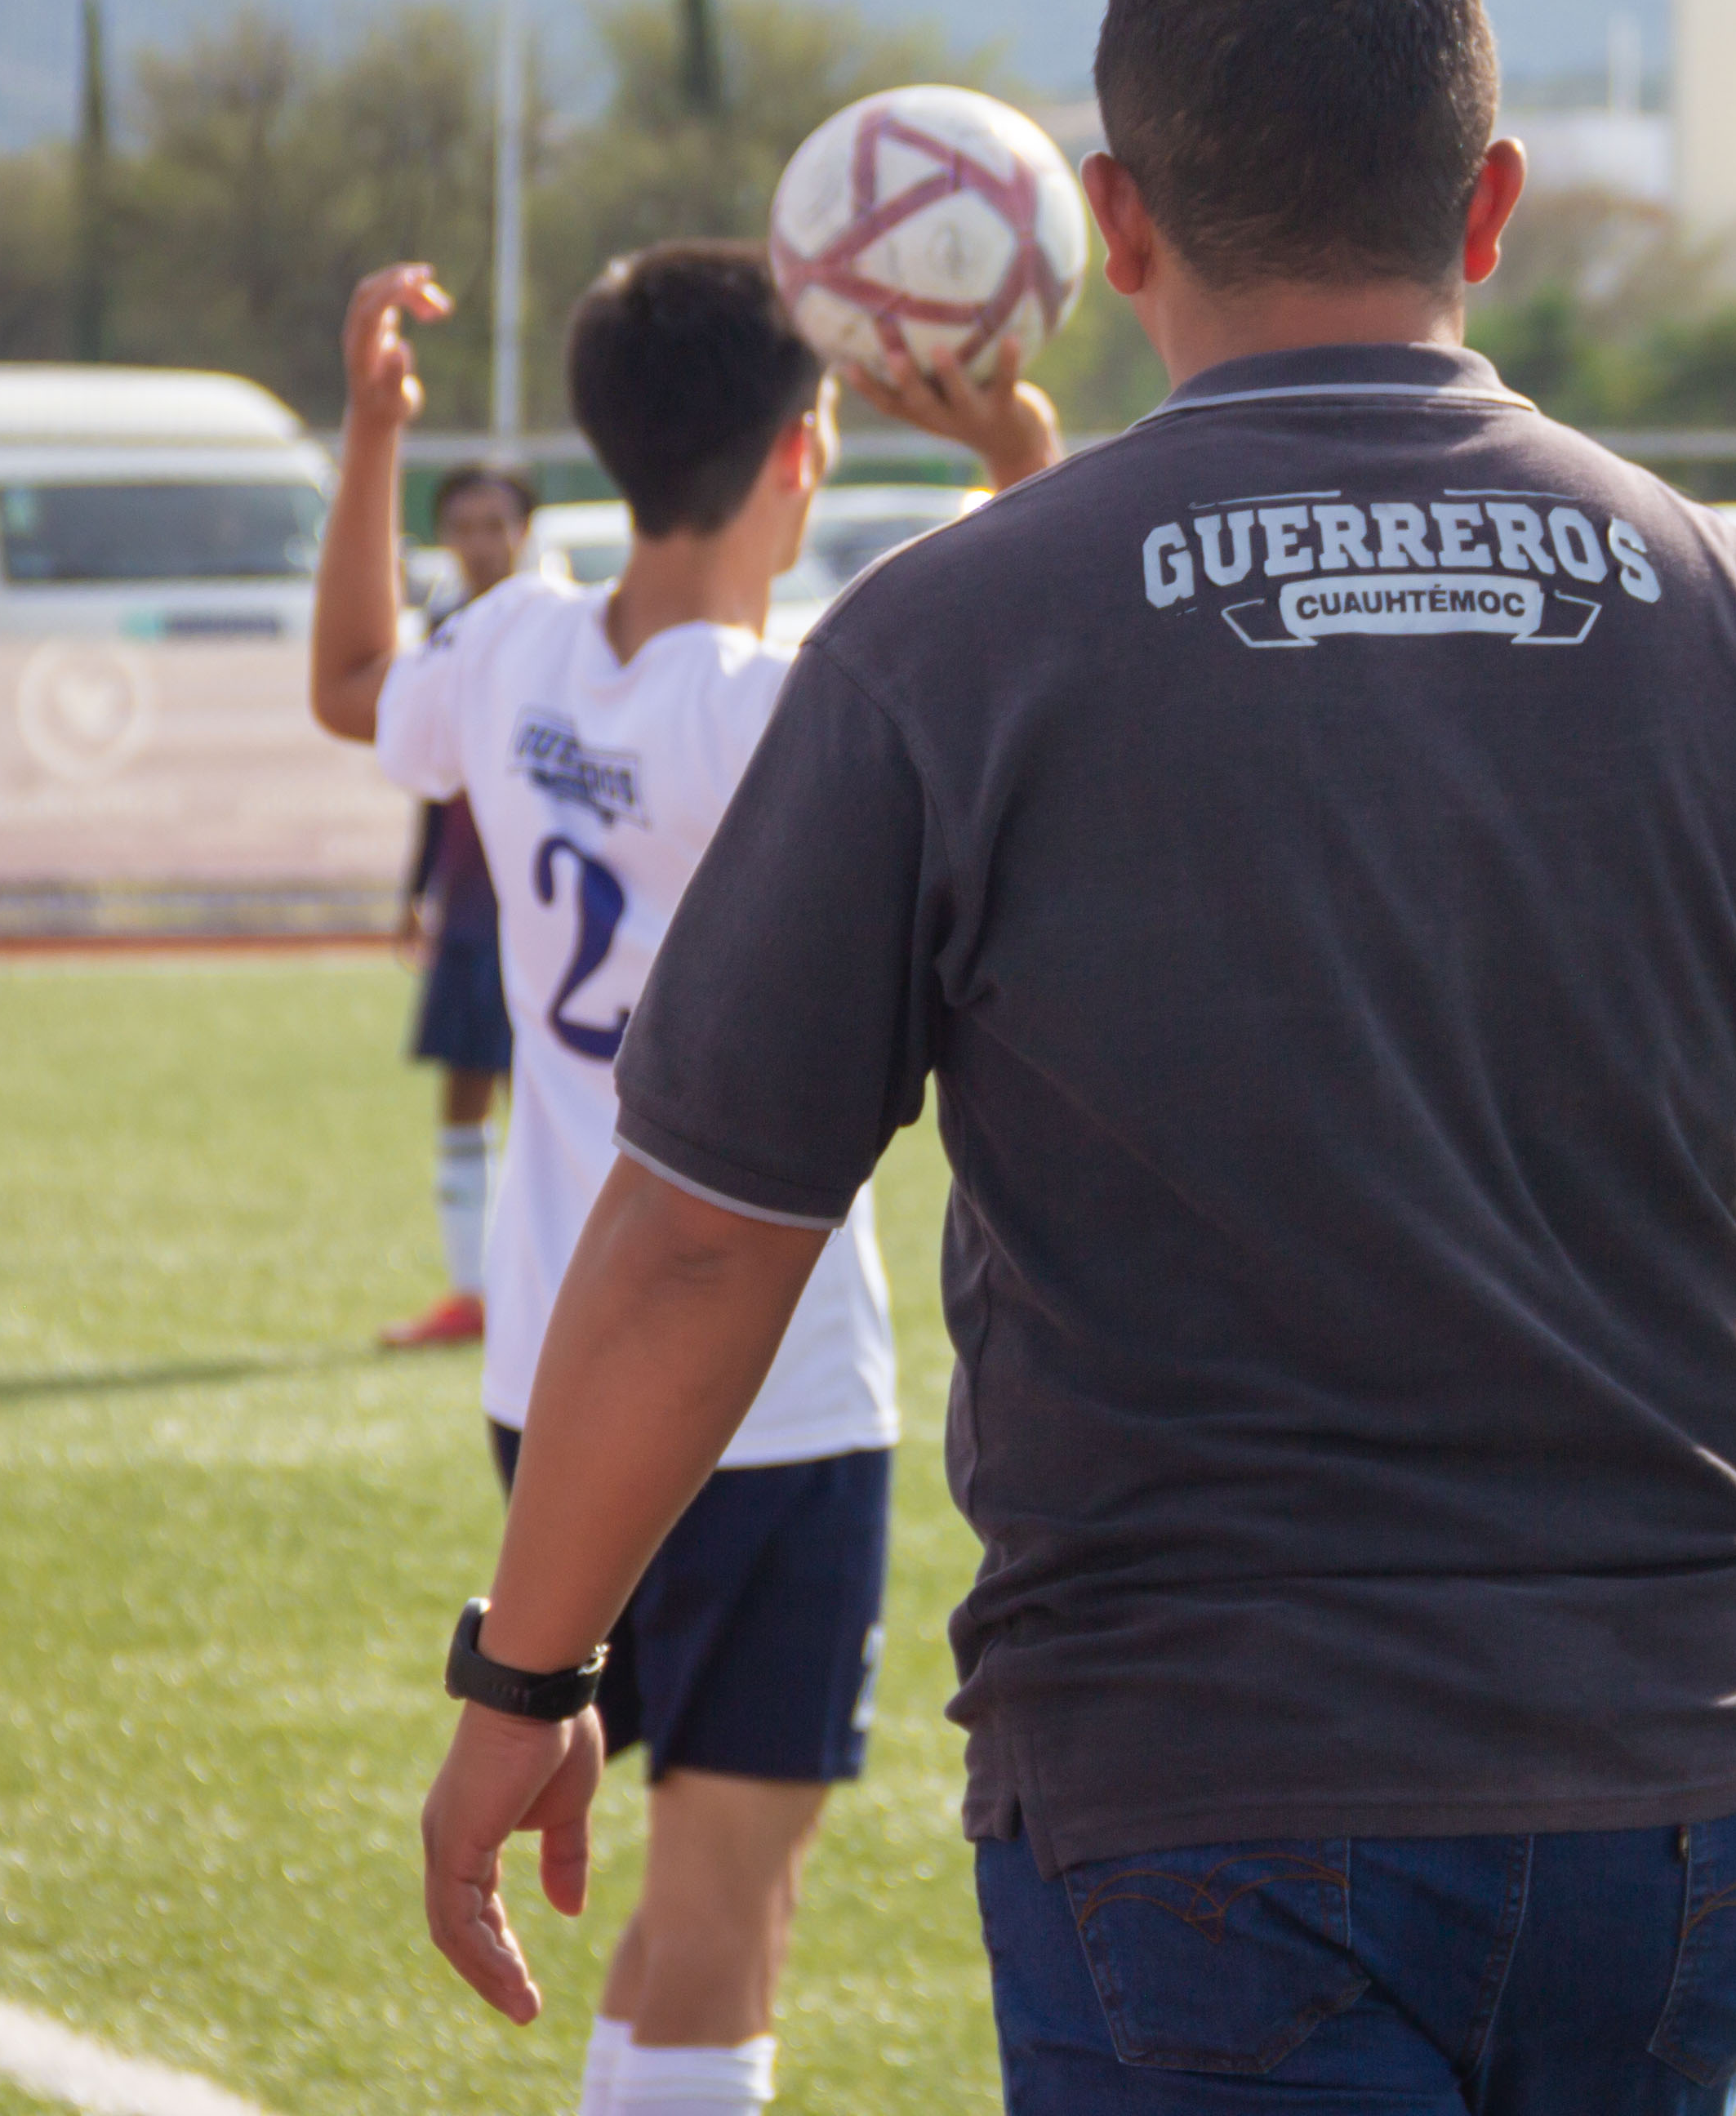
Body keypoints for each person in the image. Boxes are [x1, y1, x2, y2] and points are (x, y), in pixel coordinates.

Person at [411, 0, 1736, 2109]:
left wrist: (530, 1669)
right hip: (1677, 1781)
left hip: (1200, 1786)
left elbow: (696, 1241)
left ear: (1118, 224)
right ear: (1493, 204)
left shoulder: (951, 641)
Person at [314, 242, 1057, 2116]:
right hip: (771, 1382)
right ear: (803, 449)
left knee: (670, 1889)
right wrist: (1022, 458)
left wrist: (373, 439)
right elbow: (1044, 667)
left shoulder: (510, 645)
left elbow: (347, 682)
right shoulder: (792, 707)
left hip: (550, 1396)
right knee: (726, 1889)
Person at [385, 461, 538, 1352]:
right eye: (465, 525)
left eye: (497, 524)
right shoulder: (443, 632)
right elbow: (432, 784)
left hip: (540, 910)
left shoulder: (560, 633)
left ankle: (542, 1291)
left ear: (525, 531)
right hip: (472, 909)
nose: (482, 541)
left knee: (545, 1100)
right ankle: (471, 1293)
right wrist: (417, 892)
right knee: (462, 1093)